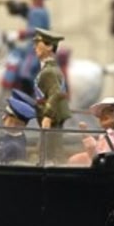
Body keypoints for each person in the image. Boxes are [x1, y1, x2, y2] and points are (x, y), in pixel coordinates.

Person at [0, 0, 53, 92]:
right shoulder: (35, 9)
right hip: (31, 47)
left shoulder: (40, 11)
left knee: (25, 71)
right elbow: (28, 15)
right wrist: (17, 8)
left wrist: (17, 34)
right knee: (14, 56)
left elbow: (35, 30)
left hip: (38, 49)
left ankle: (29, 98)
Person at [32, 28, 71, 162]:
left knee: (50, 151)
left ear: (49, 47)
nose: (35, 47)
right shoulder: (49, 69)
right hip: (51, 115)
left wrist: (47, 116)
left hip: (52, 117)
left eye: (38, 44)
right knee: (50, 149)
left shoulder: (49, 71)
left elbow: (56, 93)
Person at [68, 97, 114, 166]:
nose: (104, 115)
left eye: (111, 111)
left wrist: (89, 140)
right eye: (102, 112)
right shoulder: (103, 135)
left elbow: (100, 160)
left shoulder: (111, 140)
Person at [0, 92, 37, 164]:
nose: (13, 126)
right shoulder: (8, 136)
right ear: (4, 118)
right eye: (11, 121)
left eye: (18, 124)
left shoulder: (13, 145)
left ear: (24, 127)